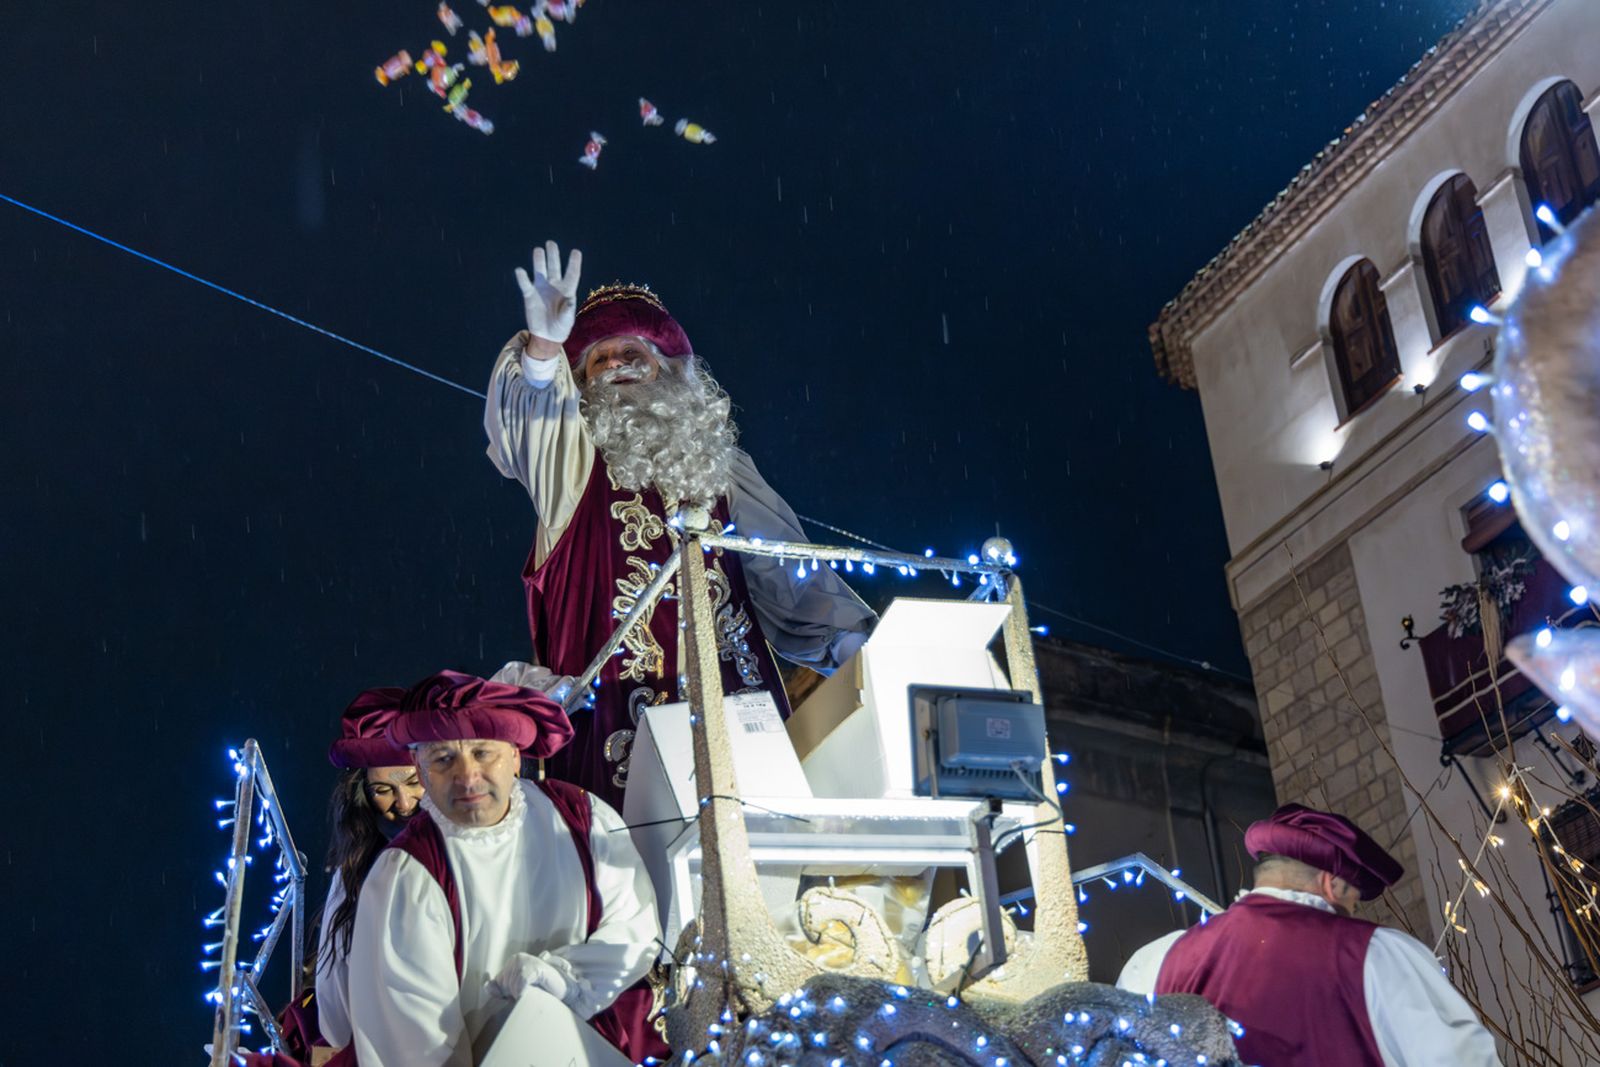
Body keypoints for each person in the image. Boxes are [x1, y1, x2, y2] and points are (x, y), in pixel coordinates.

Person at [483, 240, 877, 808]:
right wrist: (544, 350)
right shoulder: (570, 465)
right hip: (615, 731)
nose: (615, 365)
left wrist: (853, 648)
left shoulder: (724, 471)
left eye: (631, 353)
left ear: (667, 371)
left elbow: (786, 573)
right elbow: (536, 421)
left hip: (740, 721)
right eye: (598, 359)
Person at [346, 670, 667, 1066]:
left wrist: (565, 977)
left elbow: (635, 927)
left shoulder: (582, 817)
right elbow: (417, 1046)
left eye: (483, 753)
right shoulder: (406, 876)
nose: (467, 777)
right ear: (419, 766)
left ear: (515, 755)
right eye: (443, 758)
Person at [1117, 803, 1502, 1067]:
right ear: (1332, 883)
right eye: (1352, 902)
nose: (1351, 915)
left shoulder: (1158, 959)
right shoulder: (1376, 954)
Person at [314, 688, 427, 1053]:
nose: (404, 803)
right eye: (383, 789)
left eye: (414, 782)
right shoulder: (354, 874)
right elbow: (335, 1007)